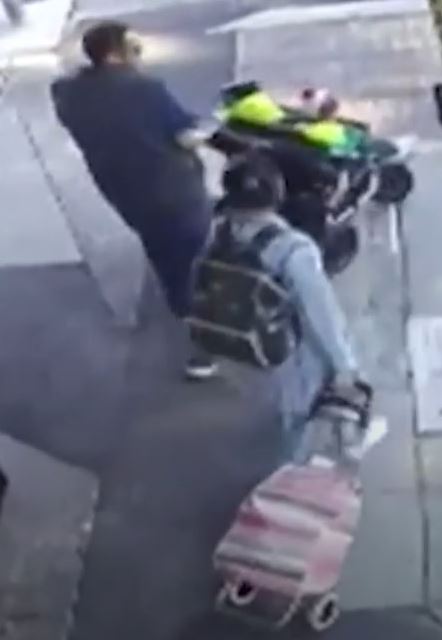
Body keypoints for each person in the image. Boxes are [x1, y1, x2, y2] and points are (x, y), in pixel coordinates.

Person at [51, 22, 216, 380]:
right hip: (175, 190)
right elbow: (186, 135)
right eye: (134, 49)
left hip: (123, 191)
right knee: (196, 259)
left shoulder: (66, 93)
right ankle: (203, 342)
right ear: (115, 53)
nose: (138, 56)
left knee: (160, 246)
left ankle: (181, 306)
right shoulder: (145, 90)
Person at [219, 153, 363, 462]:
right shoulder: (293, 249)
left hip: (238, 346)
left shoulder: (219, 230)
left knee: (266, 404)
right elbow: (320, 314)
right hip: (285, 355)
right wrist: (344, 367)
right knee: (294, 419)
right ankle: (285, 472)